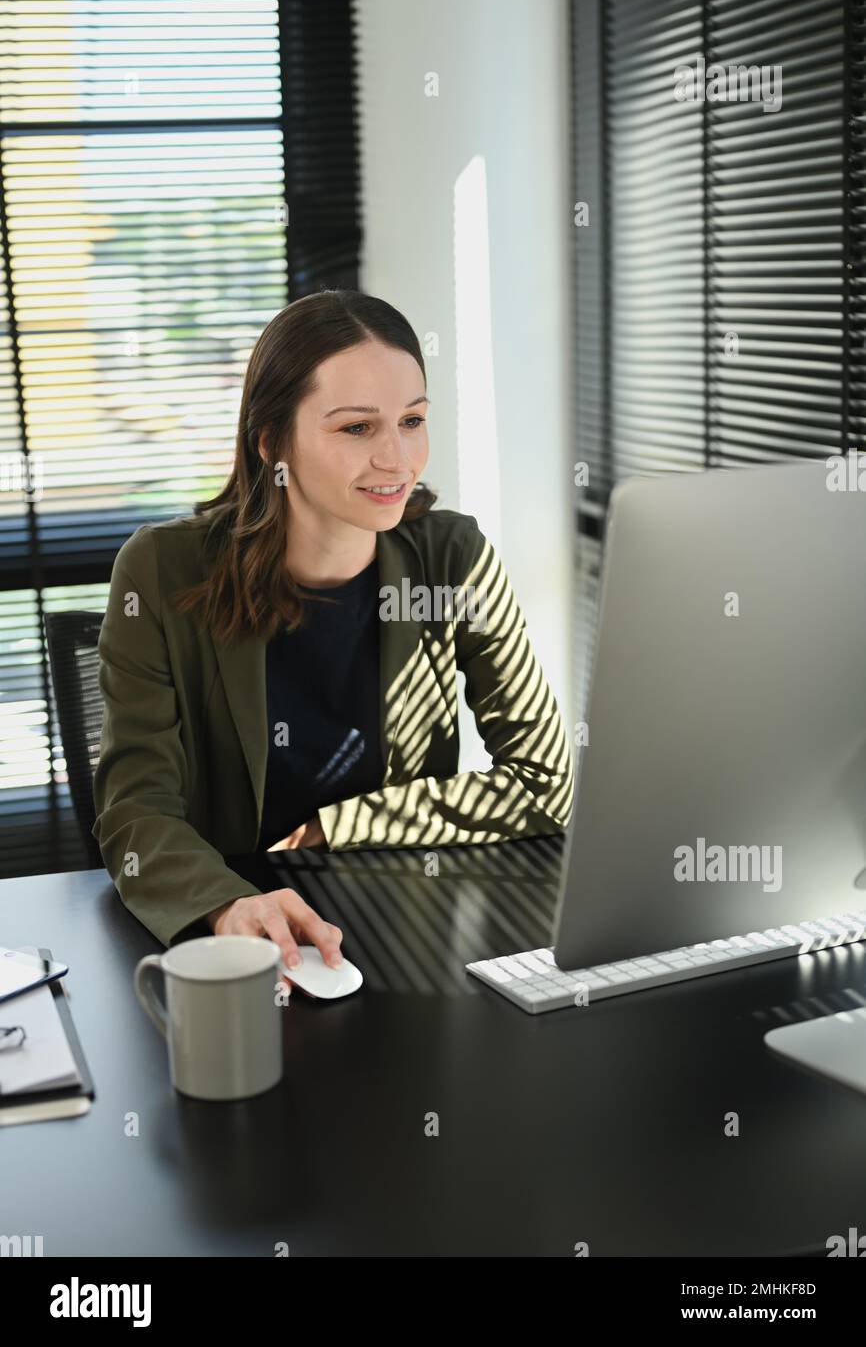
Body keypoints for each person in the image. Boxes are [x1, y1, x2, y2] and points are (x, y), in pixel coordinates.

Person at [92, 289, 574, 983]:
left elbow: (544, 785)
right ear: (271, 442)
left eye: (412, 421)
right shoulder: (163, 571)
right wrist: (228, 904)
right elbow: (135, 811)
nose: (397, 460)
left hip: (404, 931)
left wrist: (343, 824)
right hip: (239, 953)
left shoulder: (452, 560)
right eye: (357, 429)